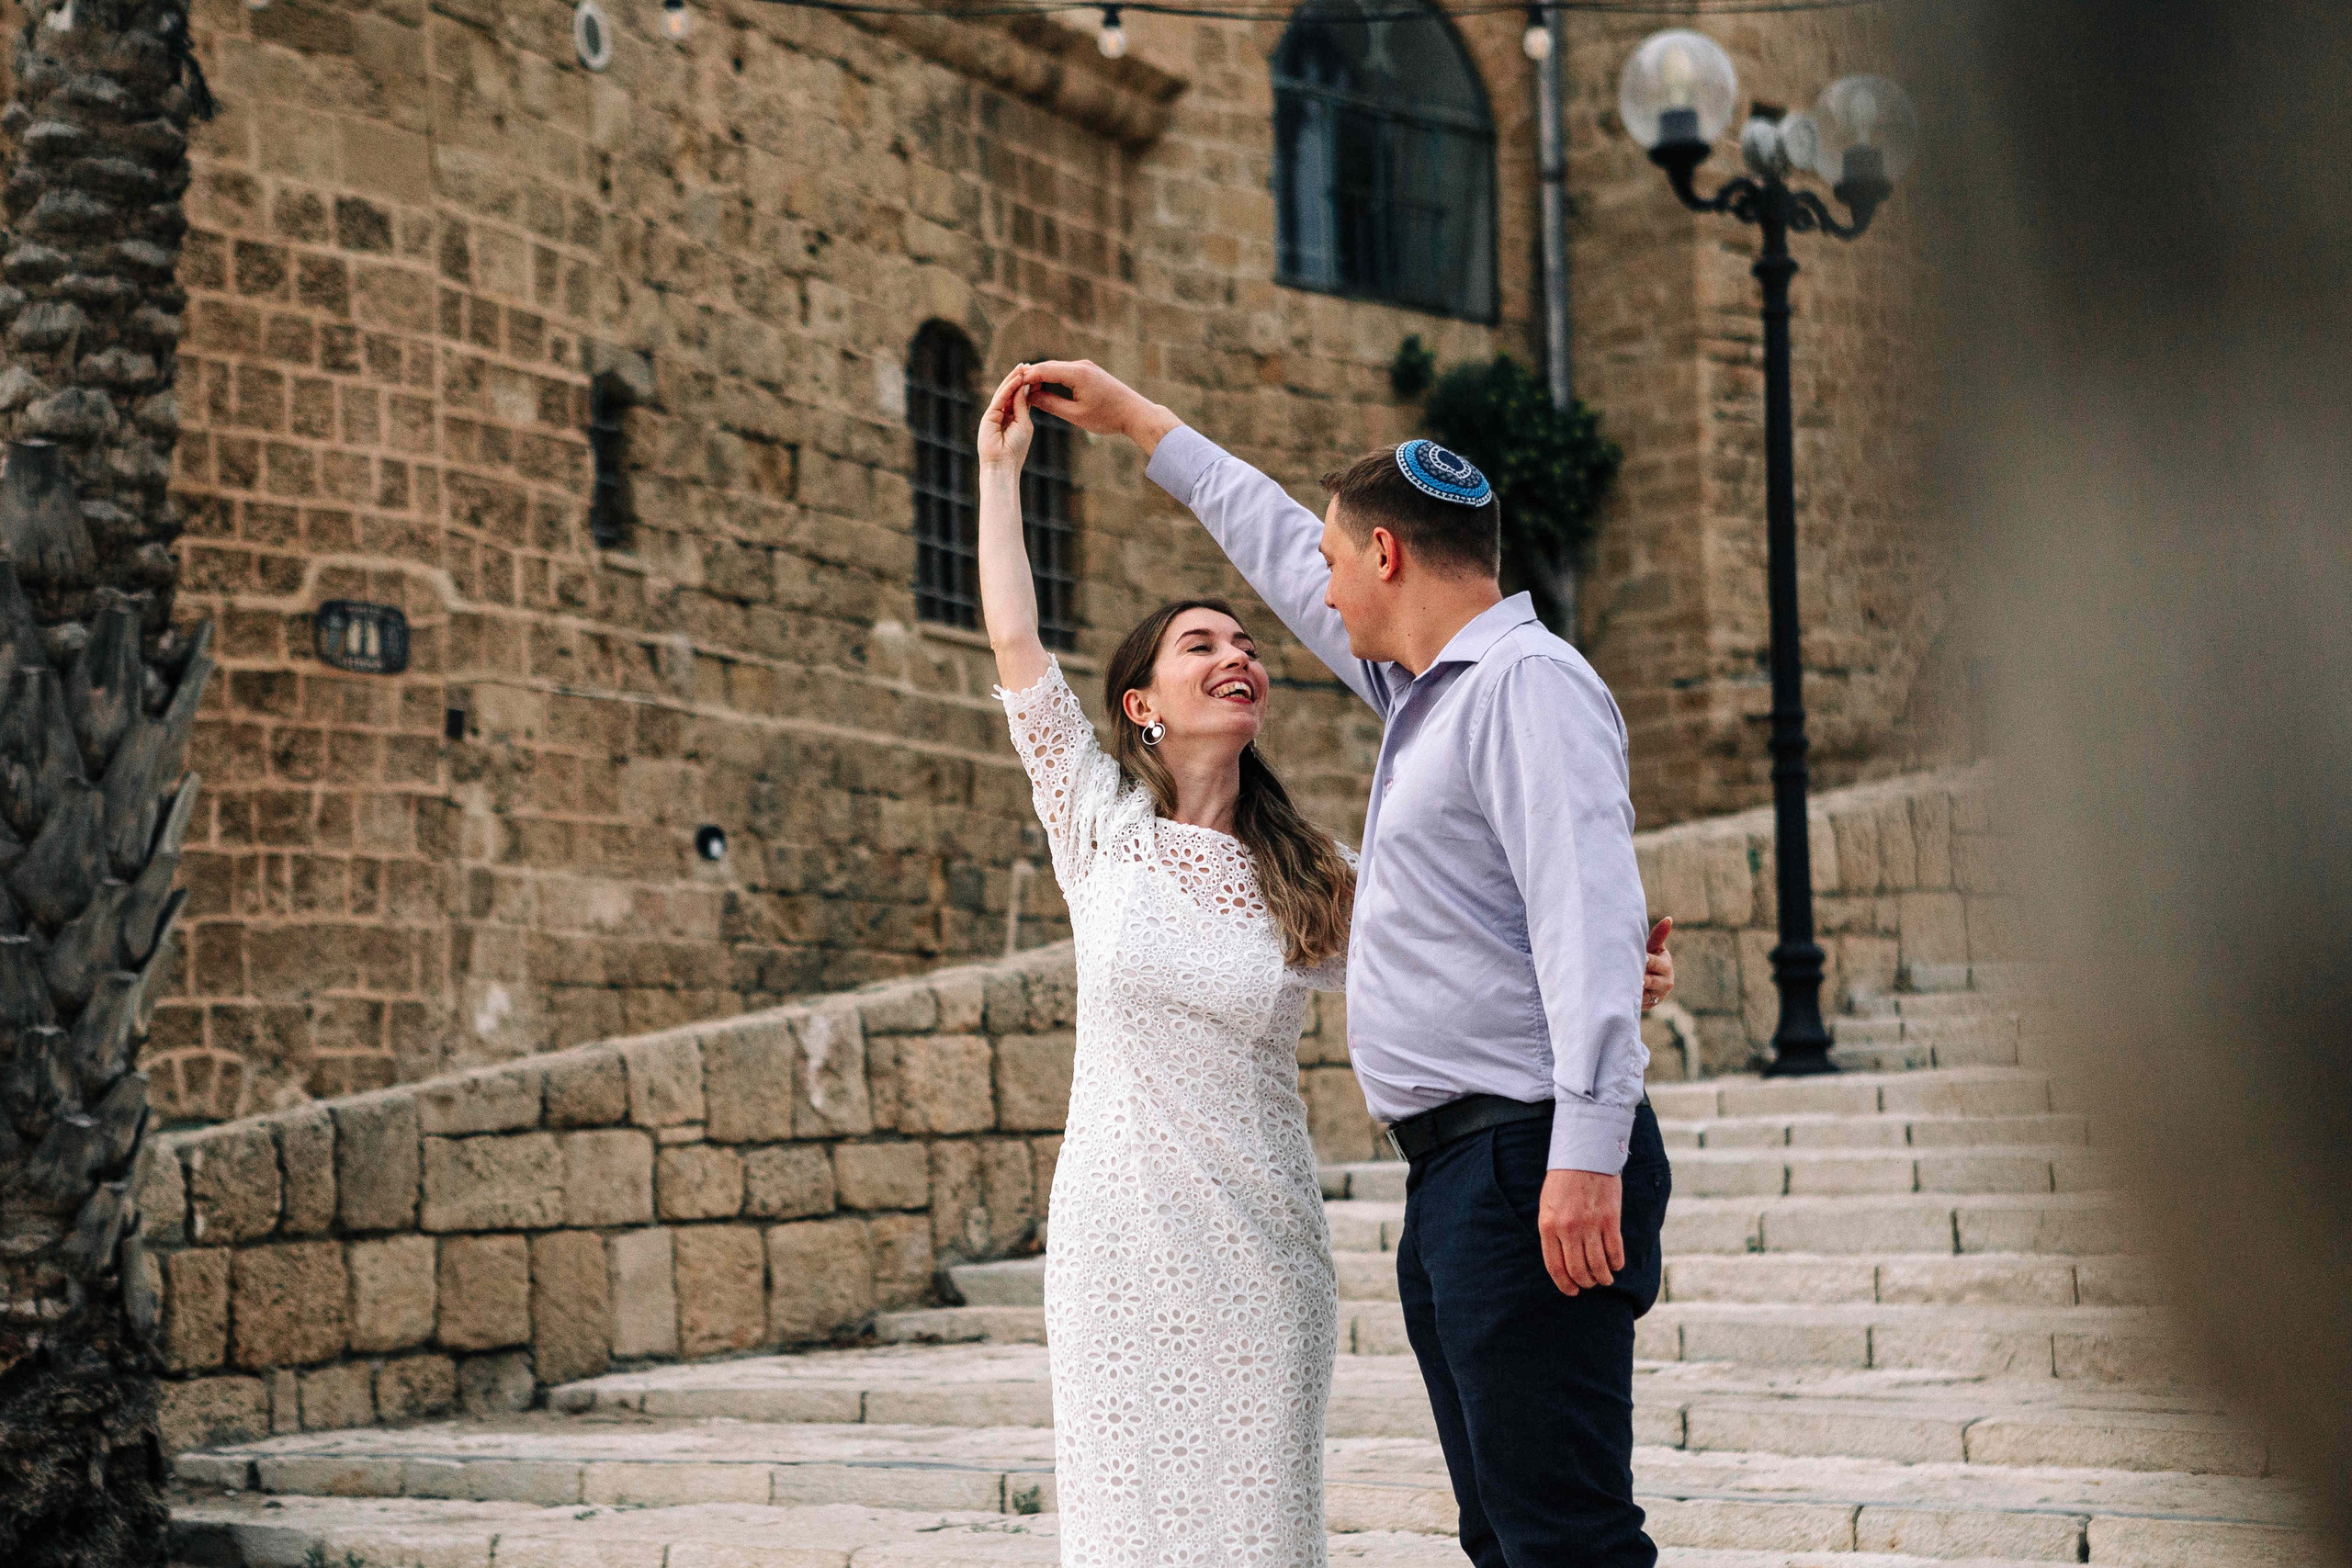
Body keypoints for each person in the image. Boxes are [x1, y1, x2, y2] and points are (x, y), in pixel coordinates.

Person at [1013, 359, 1673, 1568]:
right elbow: (1526, 924)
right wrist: (1145, 426)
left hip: (1528, 1154)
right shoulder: (1428, 695)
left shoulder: (1525, 687)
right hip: (1462, 1174)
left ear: (1386, 559)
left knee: (1562, 1535)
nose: (1306, 584)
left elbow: (1585, 913)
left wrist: (1589, 1143)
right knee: (1511, 1531)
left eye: (1330, 558)